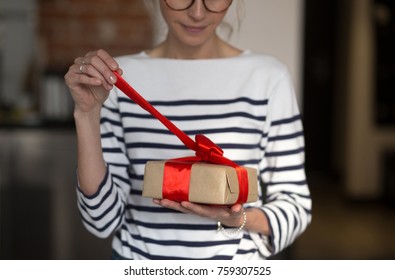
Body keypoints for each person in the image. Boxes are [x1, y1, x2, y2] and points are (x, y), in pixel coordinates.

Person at [64, 0, 312, 260]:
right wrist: (87, 114)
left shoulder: (268, 78)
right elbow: (101, 221)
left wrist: (237, 218)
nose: (197, 13)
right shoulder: (118, 80)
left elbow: (296, 207)